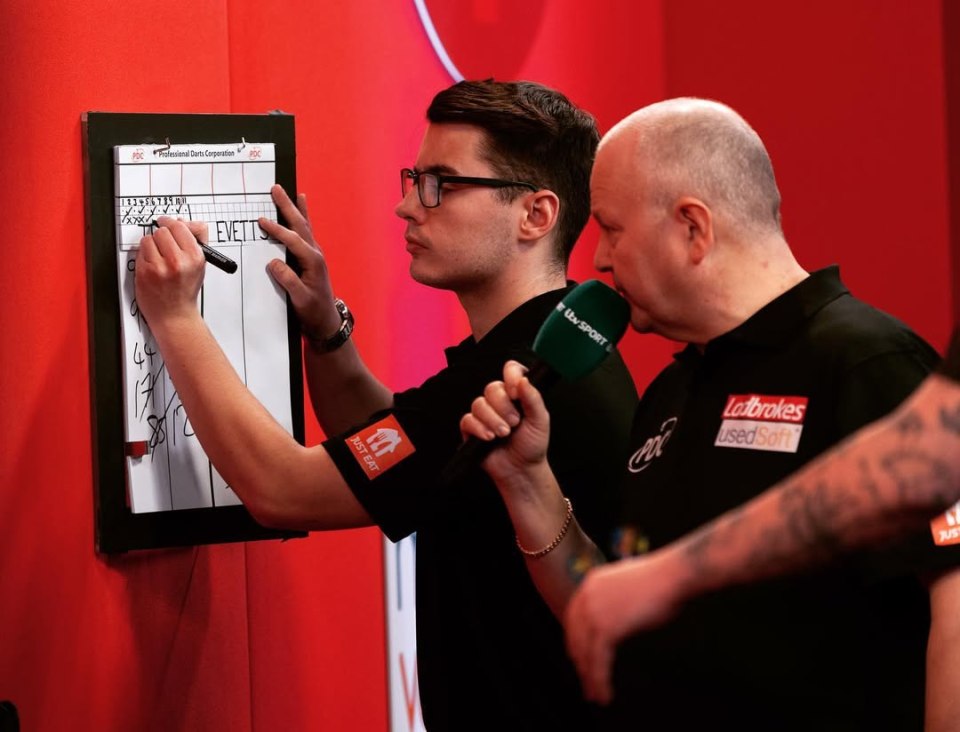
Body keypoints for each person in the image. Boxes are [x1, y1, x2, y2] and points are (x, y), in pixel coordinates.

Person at [134, 79, 638, 731]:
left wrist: (175, 316)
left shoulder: (519, 380)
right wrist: (325, 329)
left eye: (440, 184)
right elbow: (390, 444)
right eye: (413, 178)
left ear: (535, 215)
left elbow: (281, 488)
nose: (407, 206)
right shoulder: (544, 345)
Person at [461, 97, 959, 730]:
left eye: (611, 229)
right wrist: (525, 480)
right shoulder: (672, 391)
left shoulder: (865, 363)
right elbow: (608, 598)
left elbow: (954, 589)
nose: (601, 262)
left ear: (692, 227)